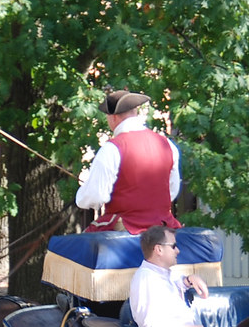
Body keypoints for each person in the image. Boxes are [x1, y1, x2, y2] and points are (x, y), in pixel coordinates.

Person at [75, 90, 183, 234]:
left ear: (112, 117)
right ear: (135, 112)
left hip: (125, 229)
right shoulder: (167, 145)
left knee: (67, 254)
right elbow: (172, 191)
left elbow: (96, 195)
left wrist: (81, 196)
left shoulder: (112, 148)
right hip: (162, 229)